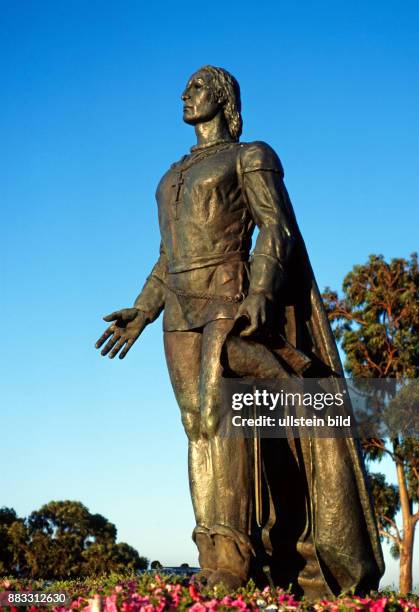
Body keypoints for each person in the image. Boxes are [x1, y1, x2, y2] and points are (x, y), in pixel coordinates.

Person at [95, 65, 384, 598]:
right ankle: (214, 552)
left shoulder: (251, 155)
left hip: (229, 297)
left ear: (223, 97)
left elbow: (277, 226)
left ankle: (230, 562)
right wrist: (142, 310)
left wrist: (263, 293)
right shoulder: (169, 176)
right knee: (194, 426)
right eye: (185, 85)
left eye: (199, 86)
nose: (186, 92)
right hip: (179, 311)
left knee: (219, 417)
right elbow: (168, 256)